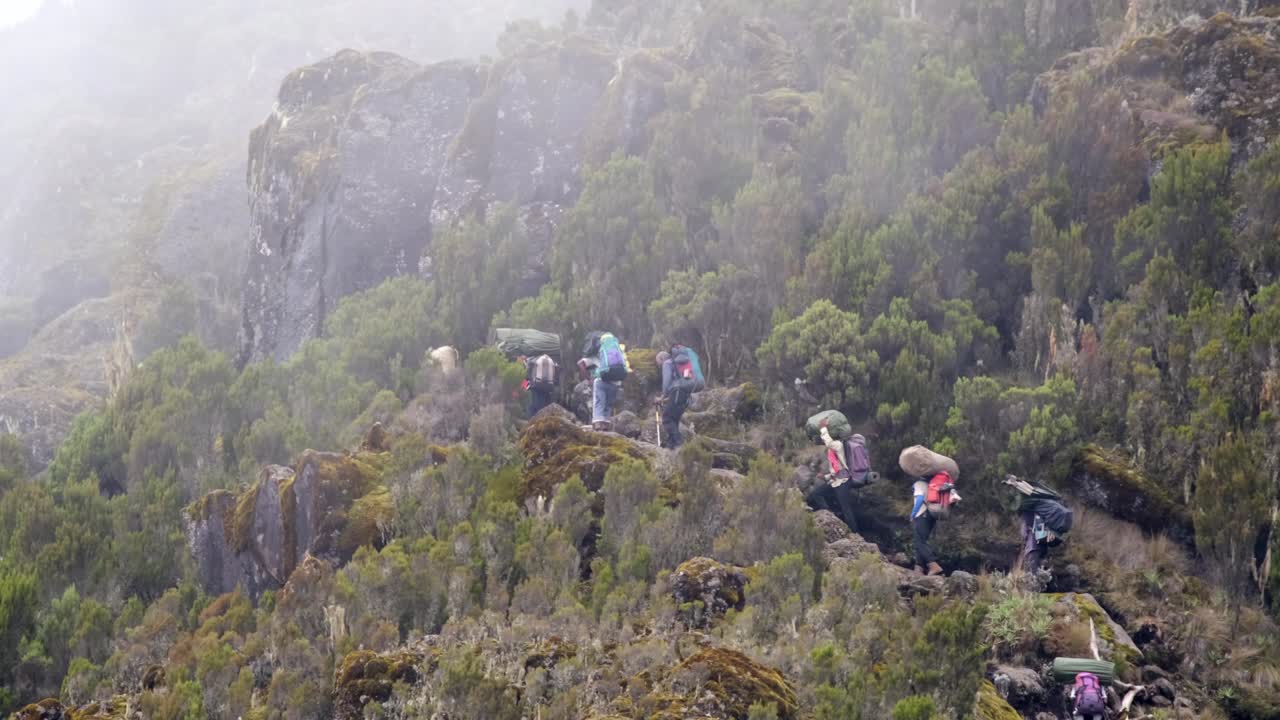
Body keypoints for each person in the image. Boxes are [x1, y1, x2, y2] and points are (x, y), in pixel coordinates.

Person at [911, 473, 959, 576]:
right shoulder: (930, 484)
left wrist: (913, 514)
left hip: (922, 514)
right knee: (922, 541)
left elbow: (919, 499)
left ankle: (933, 565)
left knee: (919, 542)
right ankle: (918, 568)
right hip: (931, 516)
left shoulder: (919, 484)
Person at [582, 332, 628, 431]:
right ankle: (606, 425)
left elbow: (581, 363)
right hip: (616, 382)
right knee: (608, 404)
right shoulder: (618, 350)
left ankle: (598, 425)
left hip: (601, 380)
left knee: (599, 402)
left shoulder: (597, 353)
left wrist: (588, 379)